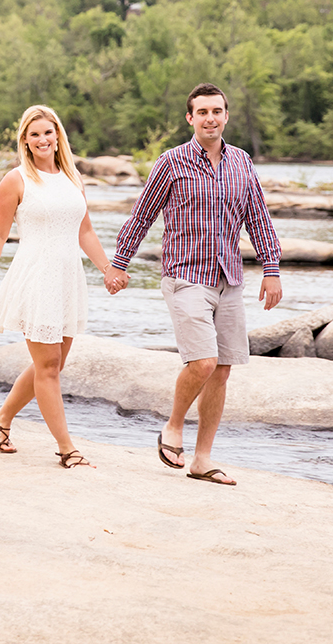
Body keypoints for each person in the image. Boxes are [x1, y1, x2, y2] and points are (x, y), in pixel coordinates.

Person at [104, 83, 283, 485]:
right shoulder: (172, 162)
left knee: (220, 371)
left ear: (226, 115)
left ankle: (202, 460)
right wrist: (119, 264)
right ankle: (172, 426)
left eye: (217, 111)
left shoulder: (241, 162)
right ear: (190, 118)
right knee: (202, 362)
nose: (210, 118)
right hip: (185, 276)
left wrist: (271, 269)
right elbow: (142, 216)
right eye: (202, 112)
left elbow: (258, 217)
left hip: (229, 278)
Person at [0, 104, 119, 469]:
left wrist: (107, 268)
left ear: (58, 136)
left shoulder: (73, 178)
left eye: (48, 132)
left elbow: (84, 230)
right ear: (25, 140)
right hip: (36, 276)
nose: (43, 139)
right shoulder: (16, 180)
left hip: (68, 278)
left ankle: (0, 420)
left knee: (52, 364)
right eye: (35, 133)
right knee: (49, 367)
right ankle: (67, 448)